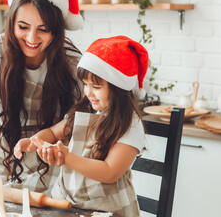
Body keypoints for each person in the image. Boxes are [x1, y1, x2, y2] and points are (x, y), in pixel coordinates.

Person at [0, 0, 84, 207]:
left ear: (57, 30)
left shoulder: (74, 65)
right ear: (11, 21)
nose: (32, 39)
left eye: (43, 29)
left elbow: (76, 128)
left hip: (56, 184)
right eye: (23, 27)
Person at [15, 36, 149, 216]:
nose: (88, 92)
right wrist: (34, 141)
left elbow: (110, 172)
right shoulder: (84, 111)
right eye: (86, 84)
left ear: (118, 87)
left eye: (96, 86)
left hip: (108, 209)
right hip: (67, 203)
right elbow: (53, 133)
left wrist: (66, 157)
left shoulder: (130, 124)